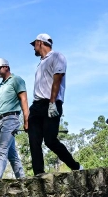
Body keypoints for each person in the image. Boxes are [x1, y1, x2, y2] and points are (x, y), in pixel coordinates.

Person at [28, 33, 81, 174]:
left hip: (51, 104)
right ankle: (39, 173)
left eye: (35, 44)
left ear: (40, 42)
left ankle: (75, 166)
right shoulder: (40, 63)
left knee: (50, 140)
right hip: (36, 106)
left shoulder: (57, 56)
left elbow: (57, 79)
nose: (33, 48)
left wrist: (52, 103)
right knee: (34, 141)